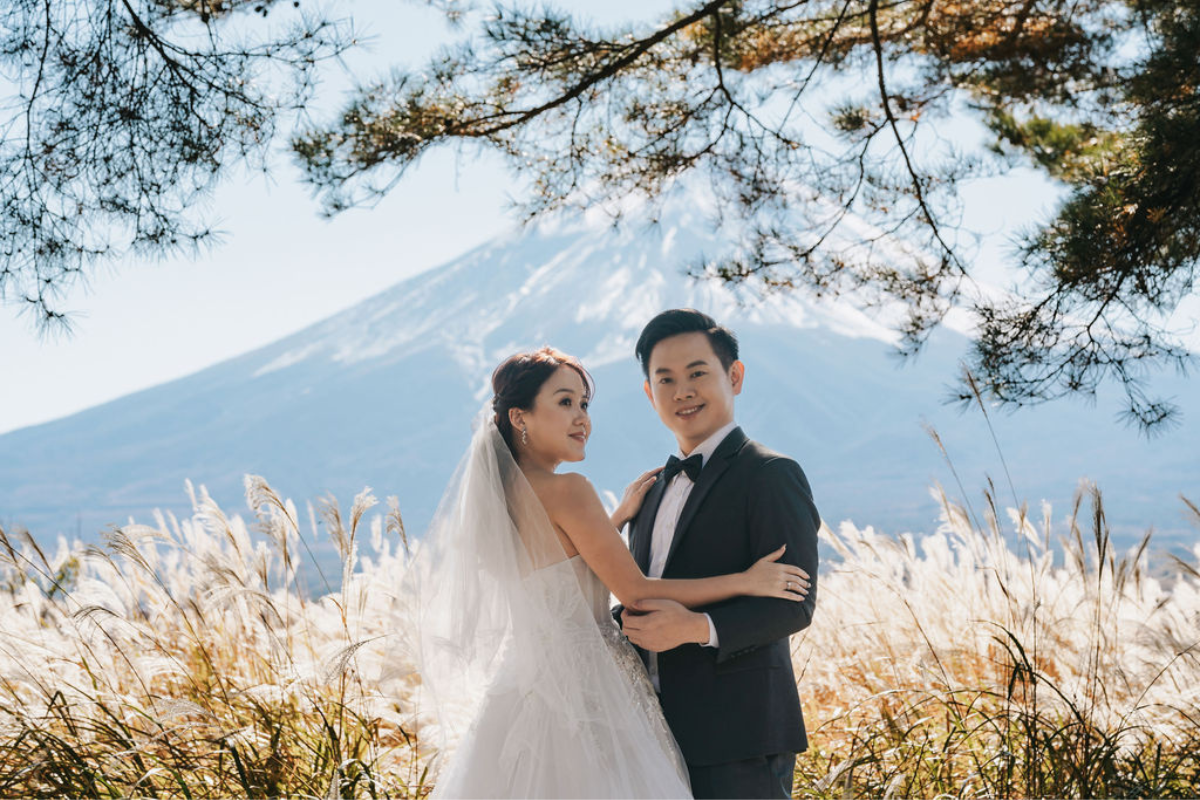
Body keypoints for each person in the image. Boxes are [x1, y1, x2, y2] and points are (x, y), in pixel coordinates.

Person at [409, 346, 810, 799]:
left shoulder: (497, 503)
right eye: (564, 402)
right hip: (591, 690)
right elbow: (635, 590)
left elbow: (557, 558)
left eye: (584, 404)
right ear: (520, 417)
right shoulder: (570, 490)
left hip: (526, 691)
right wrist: (745, 580)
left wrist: (614, 519)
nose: (582, 418)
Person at [618, 308, 821, 799]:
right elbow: (644, 594)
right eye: (664, 379)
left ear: (735, 376)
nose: (681, 391)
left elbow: (795, 604)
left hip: (740, 736)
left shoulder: (771, 474)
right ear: (649, 394)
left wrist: (695, 628)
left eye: (697, 373)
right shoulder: (651, 489)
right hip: (652, 735)